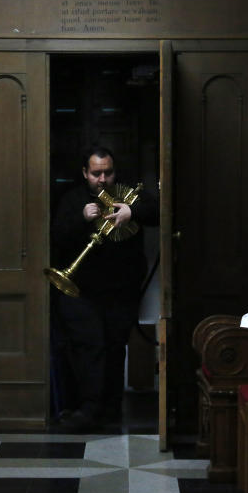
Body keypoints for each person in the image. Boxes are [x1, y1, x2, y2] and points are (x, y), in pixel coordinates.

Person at [50, 146, 158, 432]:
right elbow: (57, 234)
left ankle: (110, 410)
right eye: (96, 173)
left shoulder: (126, 195)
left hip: (121, 290)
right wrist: (82, 219)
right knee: (89, 348)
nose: (102, 179)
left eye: (107, 173)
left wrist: (132, 211)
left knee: (114, 348)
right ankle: (88, 409)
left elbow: (159, 211)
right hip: (82, 291)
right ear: (85, 173)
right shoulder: (74, 199)